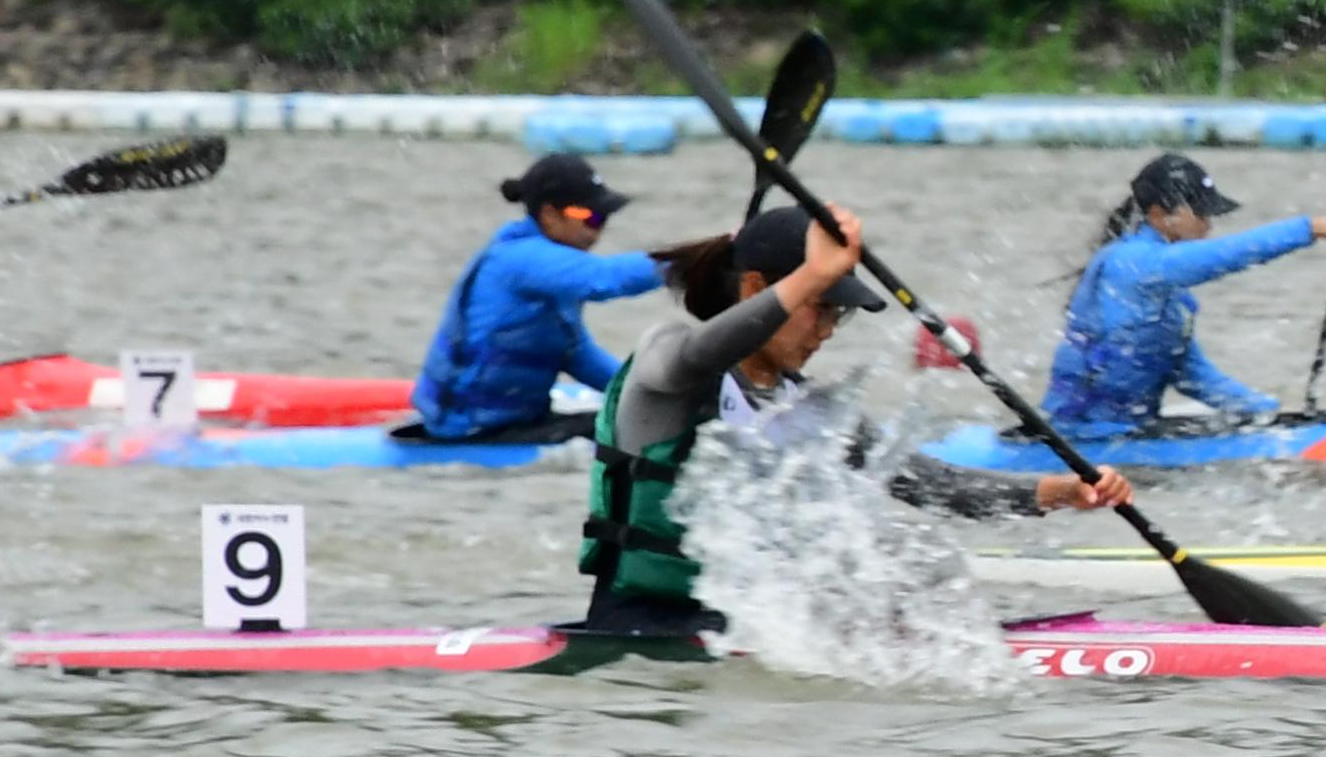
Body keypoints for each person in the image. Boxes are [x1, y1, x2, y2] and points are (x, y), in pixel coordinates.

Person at [576, 205, 1130, 637]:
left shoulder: (802, 406)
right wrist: (811, 273)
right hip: (640, 631)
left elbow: (927, 484)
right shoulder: (669, 360)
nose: (828, 330)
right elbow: (696, 355)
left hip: (750, 626)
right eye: (822, 306)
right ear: (754, 287)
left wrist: (1055, 492)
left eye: (837, 313)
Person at [1044, 152, 1326, 429]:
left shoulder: (1172, 297)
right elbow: (1226, 255)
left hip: (1129, 431)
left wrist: (1268, 415)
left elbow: (1191, 375)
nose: (1208, 224)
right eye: (1200, 212)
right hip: (1080, 431)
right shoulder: (1132, 263)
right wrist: (1311, 228)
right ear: (1158, 214)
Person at [406, 155, 669, 444]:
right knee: (644, 435)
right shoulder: (518, 260)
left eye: (603, 218)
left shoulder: (551, 273)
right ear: (549, 215)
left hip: (512, 424)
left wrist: (655, 397)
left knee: (651, 424)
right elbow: (605, 279)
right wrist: (697, 259)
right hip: (468, 430)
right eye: (589, 217)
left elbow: (577, 356)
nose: (597, 228)